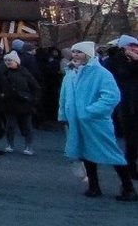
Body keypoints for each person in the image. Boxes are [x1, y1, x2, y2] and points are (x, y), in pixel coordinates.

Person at [59, 41, 135, 201]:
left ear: (88, 54)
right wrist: (64, 115)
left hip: (96, 122)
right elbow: (64, 96)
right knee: (85, 153)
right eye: (74, 52)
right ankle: (94, 187)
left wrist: (90, 112)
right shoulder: (72, 73)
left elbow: (111, 96)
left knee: (112, 153)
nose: (75, 55)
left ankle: (128, 188)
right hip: (77, 121)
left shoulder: (101, 73)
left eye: (79, 52)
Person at [0, 50, 39, 154]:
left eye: (10, 60)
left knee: (27, 125)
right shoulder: (2, 72)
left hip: (24, 102)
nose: (7, 62)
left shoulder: (24, 72)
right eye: (6, 60)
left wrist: (33, 99)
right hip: (9, 102)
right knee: (10, 125)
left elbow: (35, 86)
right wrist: (0, 95)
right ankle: (10, 144)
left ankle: (29, 145)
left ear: (16, 61)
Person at [113, 35, 138, 184]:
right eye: (130, 46)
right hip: (128, 105)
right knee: (132, 139)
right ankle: (131, 167)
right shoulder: (117, 60)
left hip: (133, 102)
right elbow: (123, 75)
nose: (134, 49)